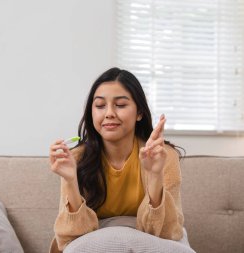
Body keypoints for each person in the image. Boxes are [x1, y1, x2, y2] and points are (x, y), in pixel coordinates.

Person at [49, 67, 185, 253]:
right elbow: (71, 238)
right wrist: (71, 181)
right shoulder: (75, 158)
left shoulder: (163, 156)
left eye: (120, 105)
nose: (109, 113)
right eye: (100, 106)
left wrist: (155, 176)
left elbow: (166, 232)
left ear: (139, 113)